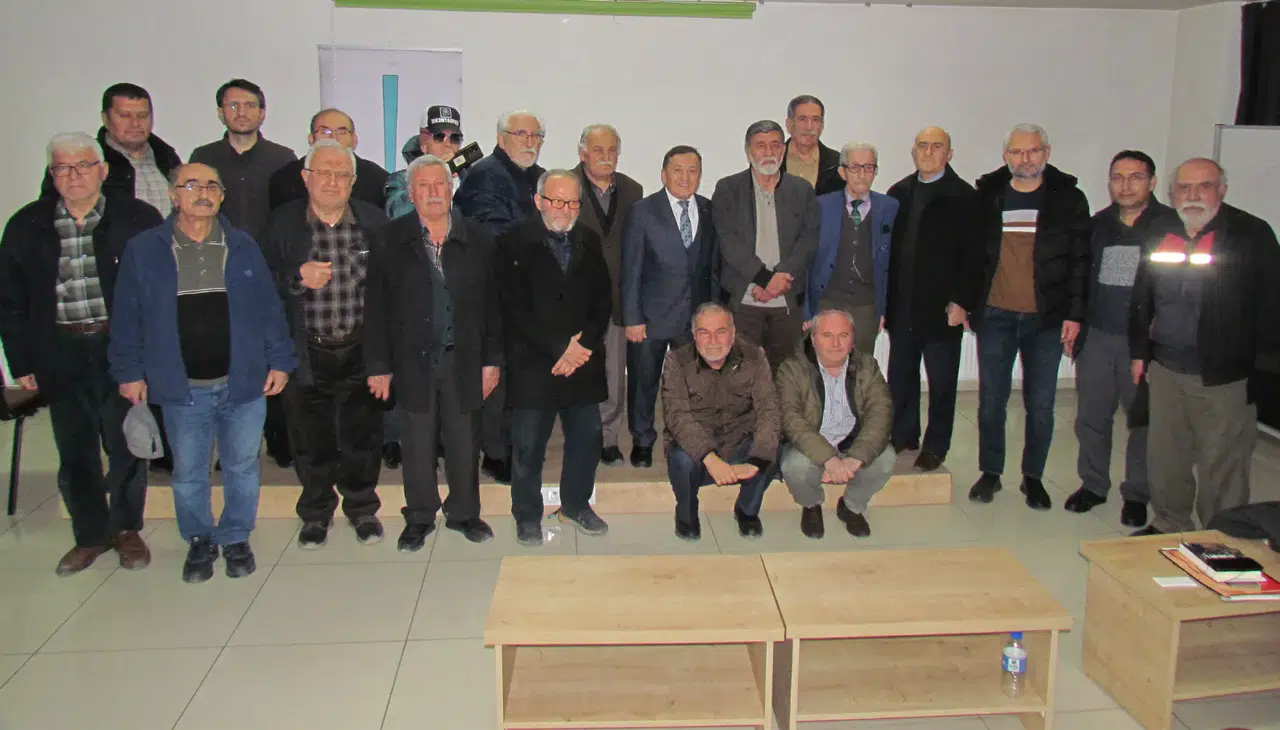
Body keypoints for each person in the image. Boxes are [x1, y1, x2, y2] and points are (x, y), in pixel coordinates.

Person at [109, 163, 296, 584]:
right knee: (189, 472)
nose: (203, 192)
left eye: (212, 185)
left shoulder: (241, 244)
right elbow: (127, 317)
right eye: (191, 185)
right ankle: (198, 538)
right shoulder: (146, 249)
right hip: (182, 387)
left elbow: (269, 309)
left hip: (242, 381)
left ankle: (235, 536)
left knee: (242, 466)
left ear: (222, 196)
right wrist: (129, 372)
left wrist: (281, 361)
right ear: (173, 195)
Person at [0, 132, 162, 575]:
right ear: (51, 174)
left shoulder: (138, 218)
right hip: (59, 350)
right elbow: (10, 300)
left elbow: (158, 292)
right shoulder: (26, 225)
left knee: (126, 443)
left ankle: (126, 529)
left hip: (120, 348)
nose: (73, 175)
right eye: (62, 167)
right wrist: (21, 362)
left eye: (83, 165)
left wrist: (148, 355)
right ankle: (89, 535)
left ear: (103, 170)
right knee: (74, 448)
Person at [1130, 158, 1280, 536]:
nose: (1193, 195)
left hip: (1224, 375)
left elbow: (1271, 306)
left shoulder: (1250, 234)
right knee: (1167, 457)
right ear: (1172, 193)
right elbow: (1143, 294)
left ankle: (1222, 535)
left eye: (1205, 186)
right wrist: (1140, 352)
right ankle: (1169, 522)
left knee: (1222, 463)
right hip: (1165, 369)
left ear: (1222, 190)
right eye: (1184, 187)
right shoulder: (1160, 230)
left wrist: (1262, 373)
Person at [365, 155, 502, 551]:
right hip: (412, 361)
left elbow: (494, 306)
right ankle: (420, 516)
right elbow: (375, 308)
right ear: (410, 194)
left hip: (465, 359)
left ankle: (464, 513)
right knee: (417, 444)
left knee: (464, 442)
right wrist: (378, 365)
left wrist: (492, 360)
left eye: (439, 183)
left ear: (451, 187)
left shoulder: (480, 239)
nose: (433, 192)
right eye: (423, 186)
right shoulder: (389, 239)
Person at [260, 140, 388, 549]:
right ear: (306, 177)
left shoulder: (373, 222)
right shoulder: (282, 224)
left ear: (353, 180)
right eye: (324, 172)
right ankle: (316, 512)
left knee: (362, 438)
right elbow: (258, 284)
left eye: (341, 174)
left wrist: (383, 359)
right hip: (306, 352)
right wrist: (296, 277)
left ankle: (362, 508)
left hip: (360, 350)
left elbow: (392, 292)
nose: (333, 181)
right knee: (310, 441)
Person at [968, 124, 1090, 511]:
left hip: (1046, 320)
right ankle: (990, 472)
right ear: (1006, 155)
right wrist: (968, 303)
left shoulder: (1068, 199)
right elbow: (972, 255)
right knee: (991, 402)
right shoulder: (989, 195)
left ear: (1047, 153)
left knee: (1041, 406)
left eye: (1033, 151)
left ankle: (1033, 477)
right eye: (1017, 152)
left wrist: (1075, 314)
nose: (1025, 159)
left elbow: (1080, 262)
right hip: (996, 316)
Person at [496, 169, 611, 546]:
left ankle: (576, 505)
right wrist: (560, 347)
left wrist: (583, 345)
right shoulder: (512, 242)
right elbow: (512, 307)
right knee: (528, 445)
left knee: (587, 439)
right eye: (557, 201)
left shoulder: (589, 239)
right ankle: (527, 515)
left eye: (573, 202)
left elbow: (603, 300)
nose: (565, 209)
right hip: (533, 362)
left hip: (583, 361)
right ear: (539, 201)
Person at [1064, 150, 1178, 528]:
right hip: (1097, 336)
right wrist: (1074, 320)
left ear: (1152, 182)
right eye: (1118, 178)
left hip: (1143, 343)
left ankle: (1137, 494)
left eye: (1135, 177)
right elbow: (1080, 278)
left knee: (1142, 421)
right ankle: (1093, 484)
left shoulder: (1171, 226)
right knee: (1091, 417)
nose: (1126, 186)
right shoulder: (1098, 225)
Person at [455, 109, 549, 484]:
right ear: (501, 138)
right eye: (521, 134)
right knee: (497, 378)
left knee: (521, 378)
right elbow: (493, 235)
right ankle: (495, 454)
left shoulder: (539, 177)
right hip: (495, 294)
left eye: (536, 135)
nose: (529, 142)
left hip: (529, 296)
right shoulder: (485, 175)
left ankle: (513, 447)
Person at [884, 126, 983, 472]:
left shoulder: (965, 197)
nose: (928, 152)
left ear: (949, 154)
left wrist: (962, 301)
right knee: (901, 378)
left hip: (943, 310)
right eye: (922, 146)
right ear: (913, 152)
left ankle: (936, 445)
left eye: (936, 146)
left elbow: (975, 256)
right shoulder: (899, 193)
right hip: (903, 306)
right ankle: (903, 435)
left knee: (941, 383)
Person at [621, 145, 719, 470]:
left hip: (693, 319)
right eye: (678, 170)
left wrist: (712, 314)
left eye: (693, 171)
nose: (685, 177)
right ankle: (642, 440)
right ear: (664, 174)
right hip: (650, 318)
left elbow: (712, 266)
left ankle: (685, 438)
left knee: (691, 384)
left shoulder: (708, 209)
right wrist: (632, 318)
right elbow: (631, 269)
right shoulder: (643, 211)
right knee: (643, 382)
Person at [661, 303, 778, 539]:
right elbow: (678, 417)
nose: (713, 340)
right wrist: (710, 458)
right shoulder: (676, 361)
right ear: (694, 335)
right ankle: (686, 515)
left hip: (740, 444)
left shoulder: (755, 357)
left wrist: (756, 461)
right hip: (698, 453)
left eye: (721, 331)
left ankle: (747, 511)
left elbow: (769, 410)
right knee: (680, 458)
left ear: (733, 333)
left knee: (771, 446)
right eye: (704, 332)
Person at [776, 309, 896, 538]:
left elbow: (881, 412)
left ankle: (851, 506)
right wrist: (828, 459)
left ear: (852, 339)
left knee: (886, 459)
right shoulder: (792, 369)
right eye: (827, 335)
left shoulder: (867, 366)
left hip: (853, 442)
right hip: (811, 445)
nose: (836, 343)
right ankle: (811, 505)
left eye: (843, 335)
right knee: (794, 466)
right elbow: (790, 418)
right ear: (813, 339)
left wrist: (856, 458)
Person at [713, 120, 820, 370]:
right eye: (760, 145)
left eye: (775, 145)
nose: (768, 152)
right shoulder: (728, 189)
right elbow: (729, 243)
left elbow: (808, 240)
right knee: (741, 376)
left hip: (787, 303)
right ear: (748, 150)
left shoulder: (802, 190)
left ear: (783, 149)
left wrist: (778, 280)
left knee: (785, 376)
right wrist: (764, 279)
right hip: (743, 303)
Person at [573, 124, 643, 467]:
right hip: (575, 303)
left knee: (614, 377)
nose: (606, 156)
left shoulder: (632, 190)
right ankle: (580, 437)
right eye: (598, 150)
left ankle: (608, 438)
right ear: (582, 153)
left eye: (612, 150)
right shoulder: (565, 185)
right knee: (576, 374)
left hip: (616, 301)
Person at [805, 141, 898, 355]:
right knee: (823, 361)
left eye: (868, 167)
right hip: (827, 300)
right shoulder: (820, 206)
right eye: (855, 167)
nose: (862, 174)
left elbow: (893, 263)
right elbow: (807, 260)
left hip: (866, 306)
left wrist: (884, 309)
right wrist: (807, 310)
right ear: (842, 172)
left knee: (861, 364)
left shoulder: (890, 207)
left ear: (875, 171)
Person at [41, 83, 181, 219]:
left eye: (143, 115)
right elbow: (48, 216)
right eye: (124, 115)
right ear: (105, 119)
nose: (135, 123)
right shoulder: (82, 163)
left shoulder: (168, 158)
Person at [189, 79, 297, 239]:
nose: (241, 113)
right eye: (233, 105)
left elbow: (293, 215)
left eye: (250, 106)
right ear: (220, 113)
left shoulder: (283, 159)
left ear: (261, 114)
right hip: (217, 249)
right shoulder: (203, 158)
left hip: (270, 251)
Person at [267, 109, 388, 211]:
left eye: (342, 132)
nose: (333, 137)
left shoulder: (377, 179)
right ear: (311, 139)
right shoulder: (286, 178)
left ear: (354, 140)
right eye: (324, 131)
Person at [385, 104, 467, 219]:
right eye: (439, 137)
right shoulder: (400, 180)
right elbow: (396, 213)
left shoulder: (471, 178)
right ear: (423, 144)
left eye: (455, 138)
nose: (448, 144)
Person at [778, 95, 842, 195]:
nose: (809, 127)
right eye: (802, 119)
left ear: (822, 126)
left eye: (815, 120)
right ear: (789, 124)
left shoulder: (837, 164)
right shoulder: (773, 161)